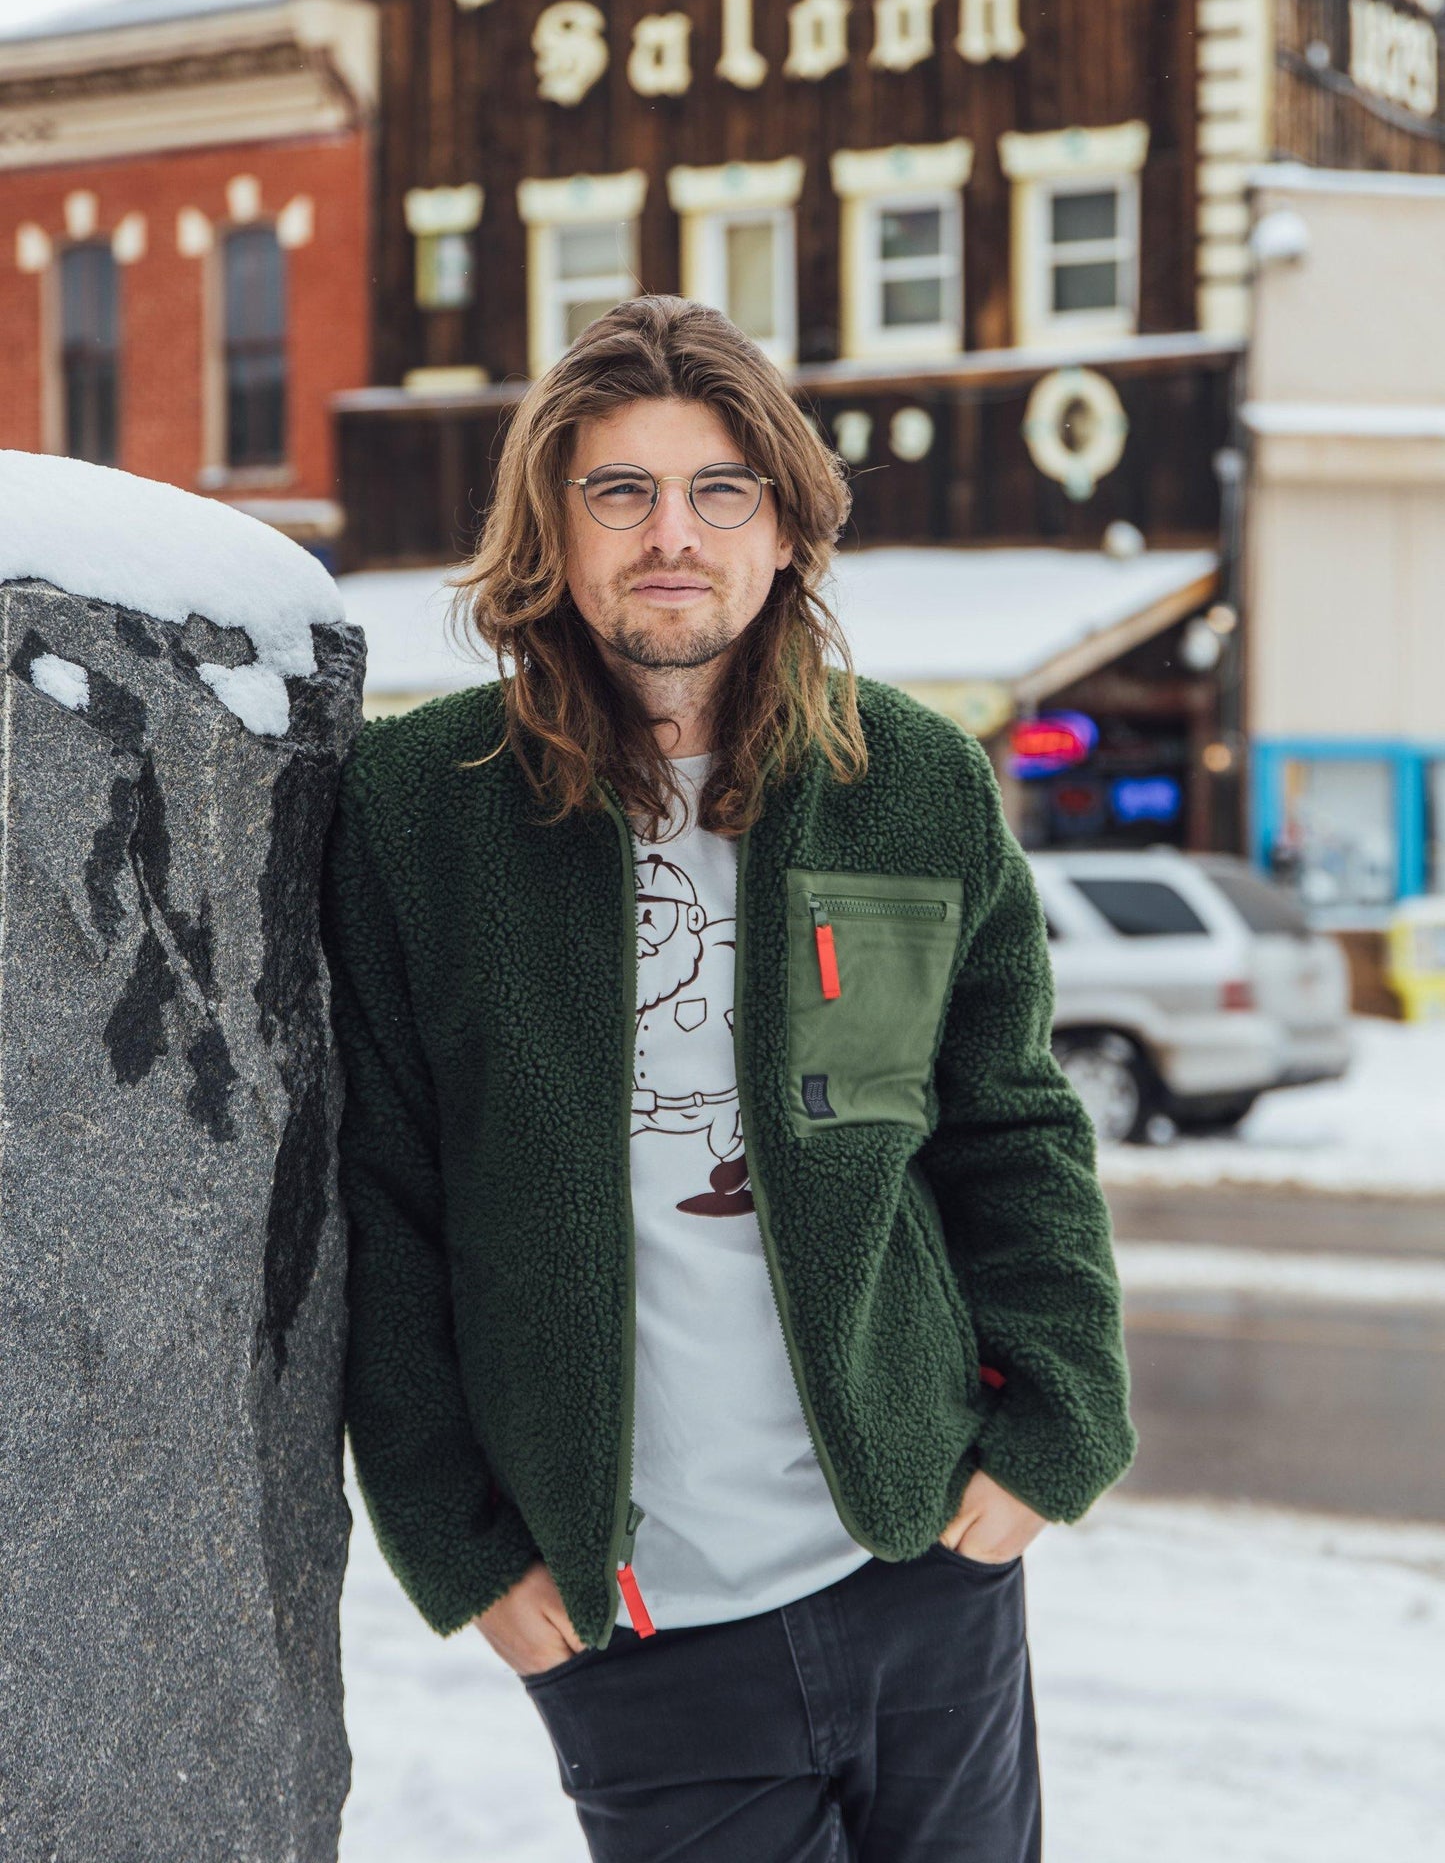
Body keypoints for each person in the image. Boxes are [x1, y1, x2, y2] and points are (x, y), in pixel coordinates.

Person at [319, 294, 1137, 1862]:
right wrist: (459, 1547)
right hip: (636, 1623)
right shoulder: (421, 811)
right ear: (551, 529)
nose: (668, 533)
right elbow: (383, 1196)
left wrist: (1056, 1431)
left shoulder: (905, 783)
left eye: (719, 490)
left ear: (785, 530)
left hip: (917, 1557)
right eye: (617, 489)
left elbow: (1010, 1128)